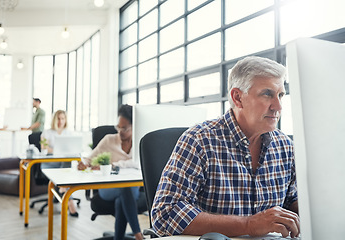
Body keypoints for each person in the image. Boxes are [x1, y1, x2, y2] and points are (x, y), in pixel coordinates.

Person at [151, 56, 300, 238]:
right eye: (267, 94)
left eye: (281, 95)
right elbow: (165, 214)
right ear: (237, 98)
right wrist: (249, 225)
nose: (278, 106)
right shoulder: (199, 140)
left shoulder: (285, 146)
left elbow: (290, 200)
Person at [78, 104, 144, 240]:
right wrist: (84, 163)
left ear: (134, 126)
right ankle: (139, 235)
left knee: (122, 198)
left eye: (124, 128)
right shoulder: (109, 140)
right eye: (118, 127)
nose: (120, 131)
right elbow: (89, 159)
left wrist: (113, 165)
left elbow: (137, 164)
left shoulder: (139, 143)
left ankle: (118, 238)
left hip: (133, 189)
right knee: (124, 188)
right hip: (108, 189)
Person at [40, 110, 78, 217]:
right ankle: (70, 204)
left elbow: (72, 147)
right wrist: (58, 151)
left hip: (63, 163)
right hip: (49, 163)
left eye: (62, 118)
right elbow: (44, 147)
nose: (60, 121)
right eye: (58, 118)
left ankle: (62, 188)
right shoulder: (46, 132)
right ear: (54, 120)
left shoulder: (68, 133)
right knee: (65, 166)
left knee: (66, 161)